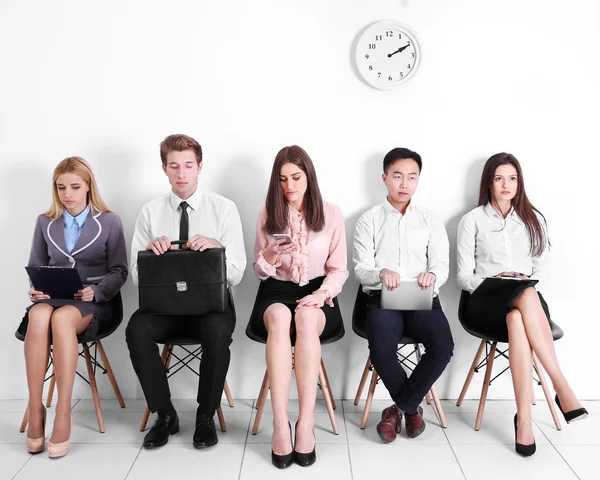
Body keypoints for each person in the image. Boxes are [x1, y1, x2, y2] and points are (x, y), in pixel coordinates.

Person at [457, 152, 588, 457]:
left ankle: (524, 421)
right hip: (485, 302)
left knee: (520, 310)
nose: (506, 184)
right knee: (523, 295)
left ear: (520, 182)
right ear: (489, 182)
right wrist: (496, 282)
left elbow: (540, 269)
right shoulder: (472, 220)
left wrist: (521, 279)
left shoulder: (534, 219)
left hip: (526, 304)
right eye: (499, 178)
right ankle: (562, 387)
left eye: (512, 178)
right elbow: (464, 276)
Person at [126, 134, 246, 450]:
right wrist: (151, 256)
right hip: (164, 310)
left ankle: (206, 416)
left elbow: (238, 272)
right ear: (164, 168)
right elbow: (138, 277)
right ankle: (165, 415)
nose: (182, 174)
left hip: (210, 309)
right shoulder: (150, 212)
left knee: (218, 331)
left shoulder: (224, 209)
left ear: (200, 167)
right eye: (174, 166)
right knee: (136, 329)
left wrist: (217, 251)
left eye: (188, 165)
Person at [19, 156, 128, 458]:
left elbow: (120, 271)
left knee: (63, 318)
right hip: (54, 296)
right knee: (38, 315)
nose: (68, 194)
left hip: (94, 303)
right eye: (62, 187)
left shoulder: (109, 221)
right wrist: (36, 291)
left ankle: (63, 412)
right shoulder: (46, 222)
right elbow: (37, 265)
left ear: (89, 186)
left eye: (75, 187)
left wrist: (97, 291)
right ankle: (36, 406)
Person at [251, 145, 348, 468]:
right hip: (275, 289)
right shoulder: (267, 212)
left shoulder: (331, 213)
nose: (289, 186)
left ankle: (305, 424)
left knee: (306, 318)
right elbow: (259, 270)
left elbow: (339, 269)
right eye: (282, 179)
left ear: (309, 176)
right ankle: (280, 424)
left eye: (295, 177)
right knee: (280, 316)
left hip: (317, 290)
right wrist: (272, 255)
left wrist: (322, 294)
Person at [353, 147, 454, 443]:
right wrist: (381, 273)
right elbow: (361, 268)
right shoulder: (368, 219)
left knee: (443, 346)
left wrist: (432, 275)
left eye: (412, 177)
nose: (404, 183)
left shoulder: (430, 219)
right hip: (383, 299)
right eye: (397, 176)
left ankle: (398, 409)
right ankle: (411, 410)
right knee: (382, 349)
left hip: (422, 298)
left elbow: (441, 265)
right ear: (385, 178)